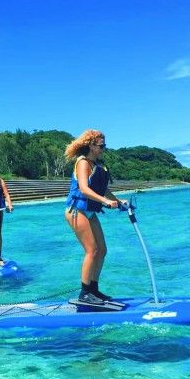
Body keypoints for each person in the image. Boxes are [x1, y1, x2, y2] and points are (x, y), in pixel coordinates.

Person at [64, 129, 127, 309]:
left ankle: (93, 290)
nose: (103, 149)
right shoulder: (83, 163)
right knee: (92, 250)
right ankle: (84, 293)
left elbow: (103, 189)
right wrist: (106, 202)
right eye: (101, 146)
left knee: (102, 250)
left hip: (89, 211)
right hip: (77, 210)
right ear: (91, 145)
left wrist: (117, 200)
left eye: (104, 146)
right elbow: (84, 189)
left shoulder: (96, 164)